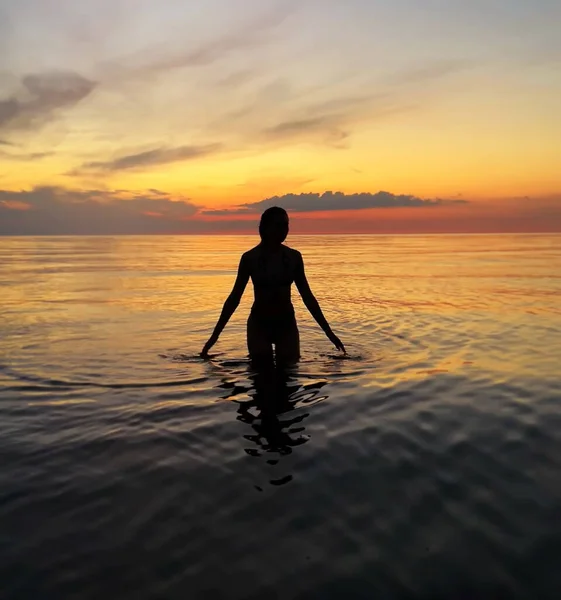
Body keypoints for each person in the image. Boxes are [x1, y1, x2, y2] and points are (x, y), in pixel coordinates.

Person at [200, 206, 345, 364]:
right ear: (264, 228)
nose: (283, 230)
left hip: (286, 323)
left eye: (286, 225)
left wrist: (329, 333)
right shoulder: (250, 258)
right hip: (259, 324)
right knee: (261, 374)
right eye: (278, 225)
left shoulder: (293, 257)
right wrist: (214, 337)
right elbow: (234, 298)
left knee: (289, 373)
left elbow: (307, 297)